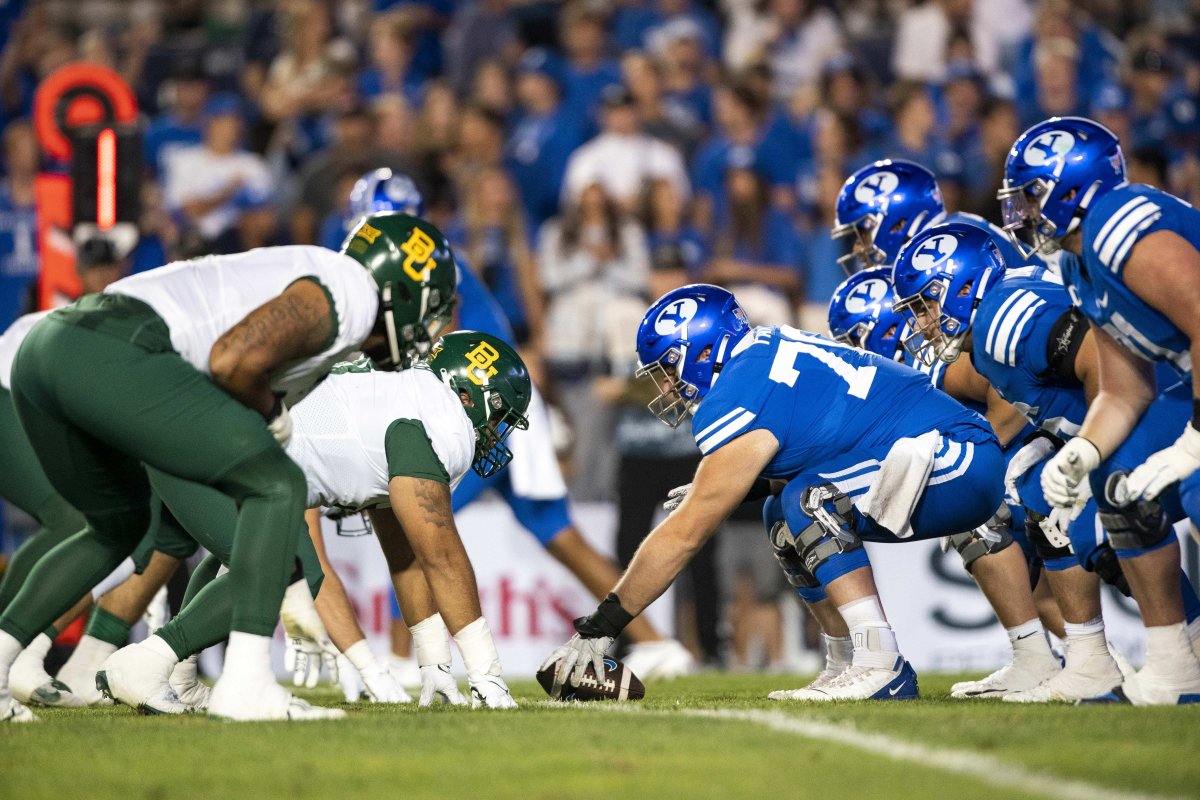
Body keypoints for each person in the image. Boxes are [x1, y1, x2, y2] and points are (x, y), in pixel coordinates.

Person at [0, 213, 456, 724]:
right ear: (399, 288)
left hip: (50, 348)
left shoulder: (314, 277)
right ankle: (245, 684)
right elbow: (232, 360)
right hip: (120, 348)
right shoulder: (352, 291)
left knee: (117, 527)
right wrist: (271, 417)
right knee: (279, 485)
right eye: (428, 306)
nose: (427, 325)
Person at [541, 283, 1002, 701]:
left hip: (955, 457)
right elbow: (820, 442)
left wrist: (600, 629)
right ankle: (847, 661)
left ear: (703, 352)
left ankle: (880, 660)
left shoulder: (739, 390)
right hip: (940, 453)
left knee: (807, 500)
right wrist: (736, 491)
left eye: (668, 368)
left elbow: (684, 534)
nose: (665, 385)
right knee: (781, 511)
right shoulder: (760, 354)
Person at [98, 331, 531, 713]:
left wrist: (435, 665)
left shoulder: (401, 398)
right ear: (469, 396)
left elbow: (407, 555)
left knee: (237, 558)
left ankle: (179, 678)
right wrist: (485, 673)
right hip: (209, 441)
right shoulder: (442, 421)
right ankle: (145, 661)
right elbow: (442, 556)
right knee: (285, 568)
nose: (495, 433)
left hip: (192, 425)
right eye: (498, 418)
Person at [894, 224, 1200, 702]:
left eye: (923, 306)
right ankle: (1110, 663)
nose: (919, 324)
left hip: (1166, 402)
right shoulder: (987, 332)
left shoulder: (1003, 317)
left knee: (1099, 519)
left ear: (962, 287)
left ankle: (1182, 662)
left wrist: (1095, 449)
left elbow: (1104, 359)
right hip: (1142, 408)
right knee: (1050, 505)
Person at [999, 115, 1200, 705]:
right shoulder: (1076, 261)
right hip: (1179, 387)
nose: (1022, 212)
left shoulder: (1117, 225)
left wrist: (1196, 436)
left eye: (1031, 195)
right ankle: (1176, 666)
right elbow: (1123, 388)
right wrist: (1084, 451)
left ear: (1071, 188)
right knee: (1111, 492)